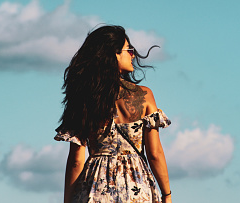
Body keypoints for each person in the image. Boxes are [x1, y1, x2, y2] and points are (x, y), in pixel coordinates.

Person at [54, 25, 172, 203]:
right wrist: (167, 194)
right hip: (138, 188)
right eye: (128, 50)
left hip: (95, 188)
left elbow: (76, 161)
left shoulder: (83, 99)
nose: (132, 55)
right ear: (114, 54)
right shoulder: (144, 96)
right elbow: (154, 153)